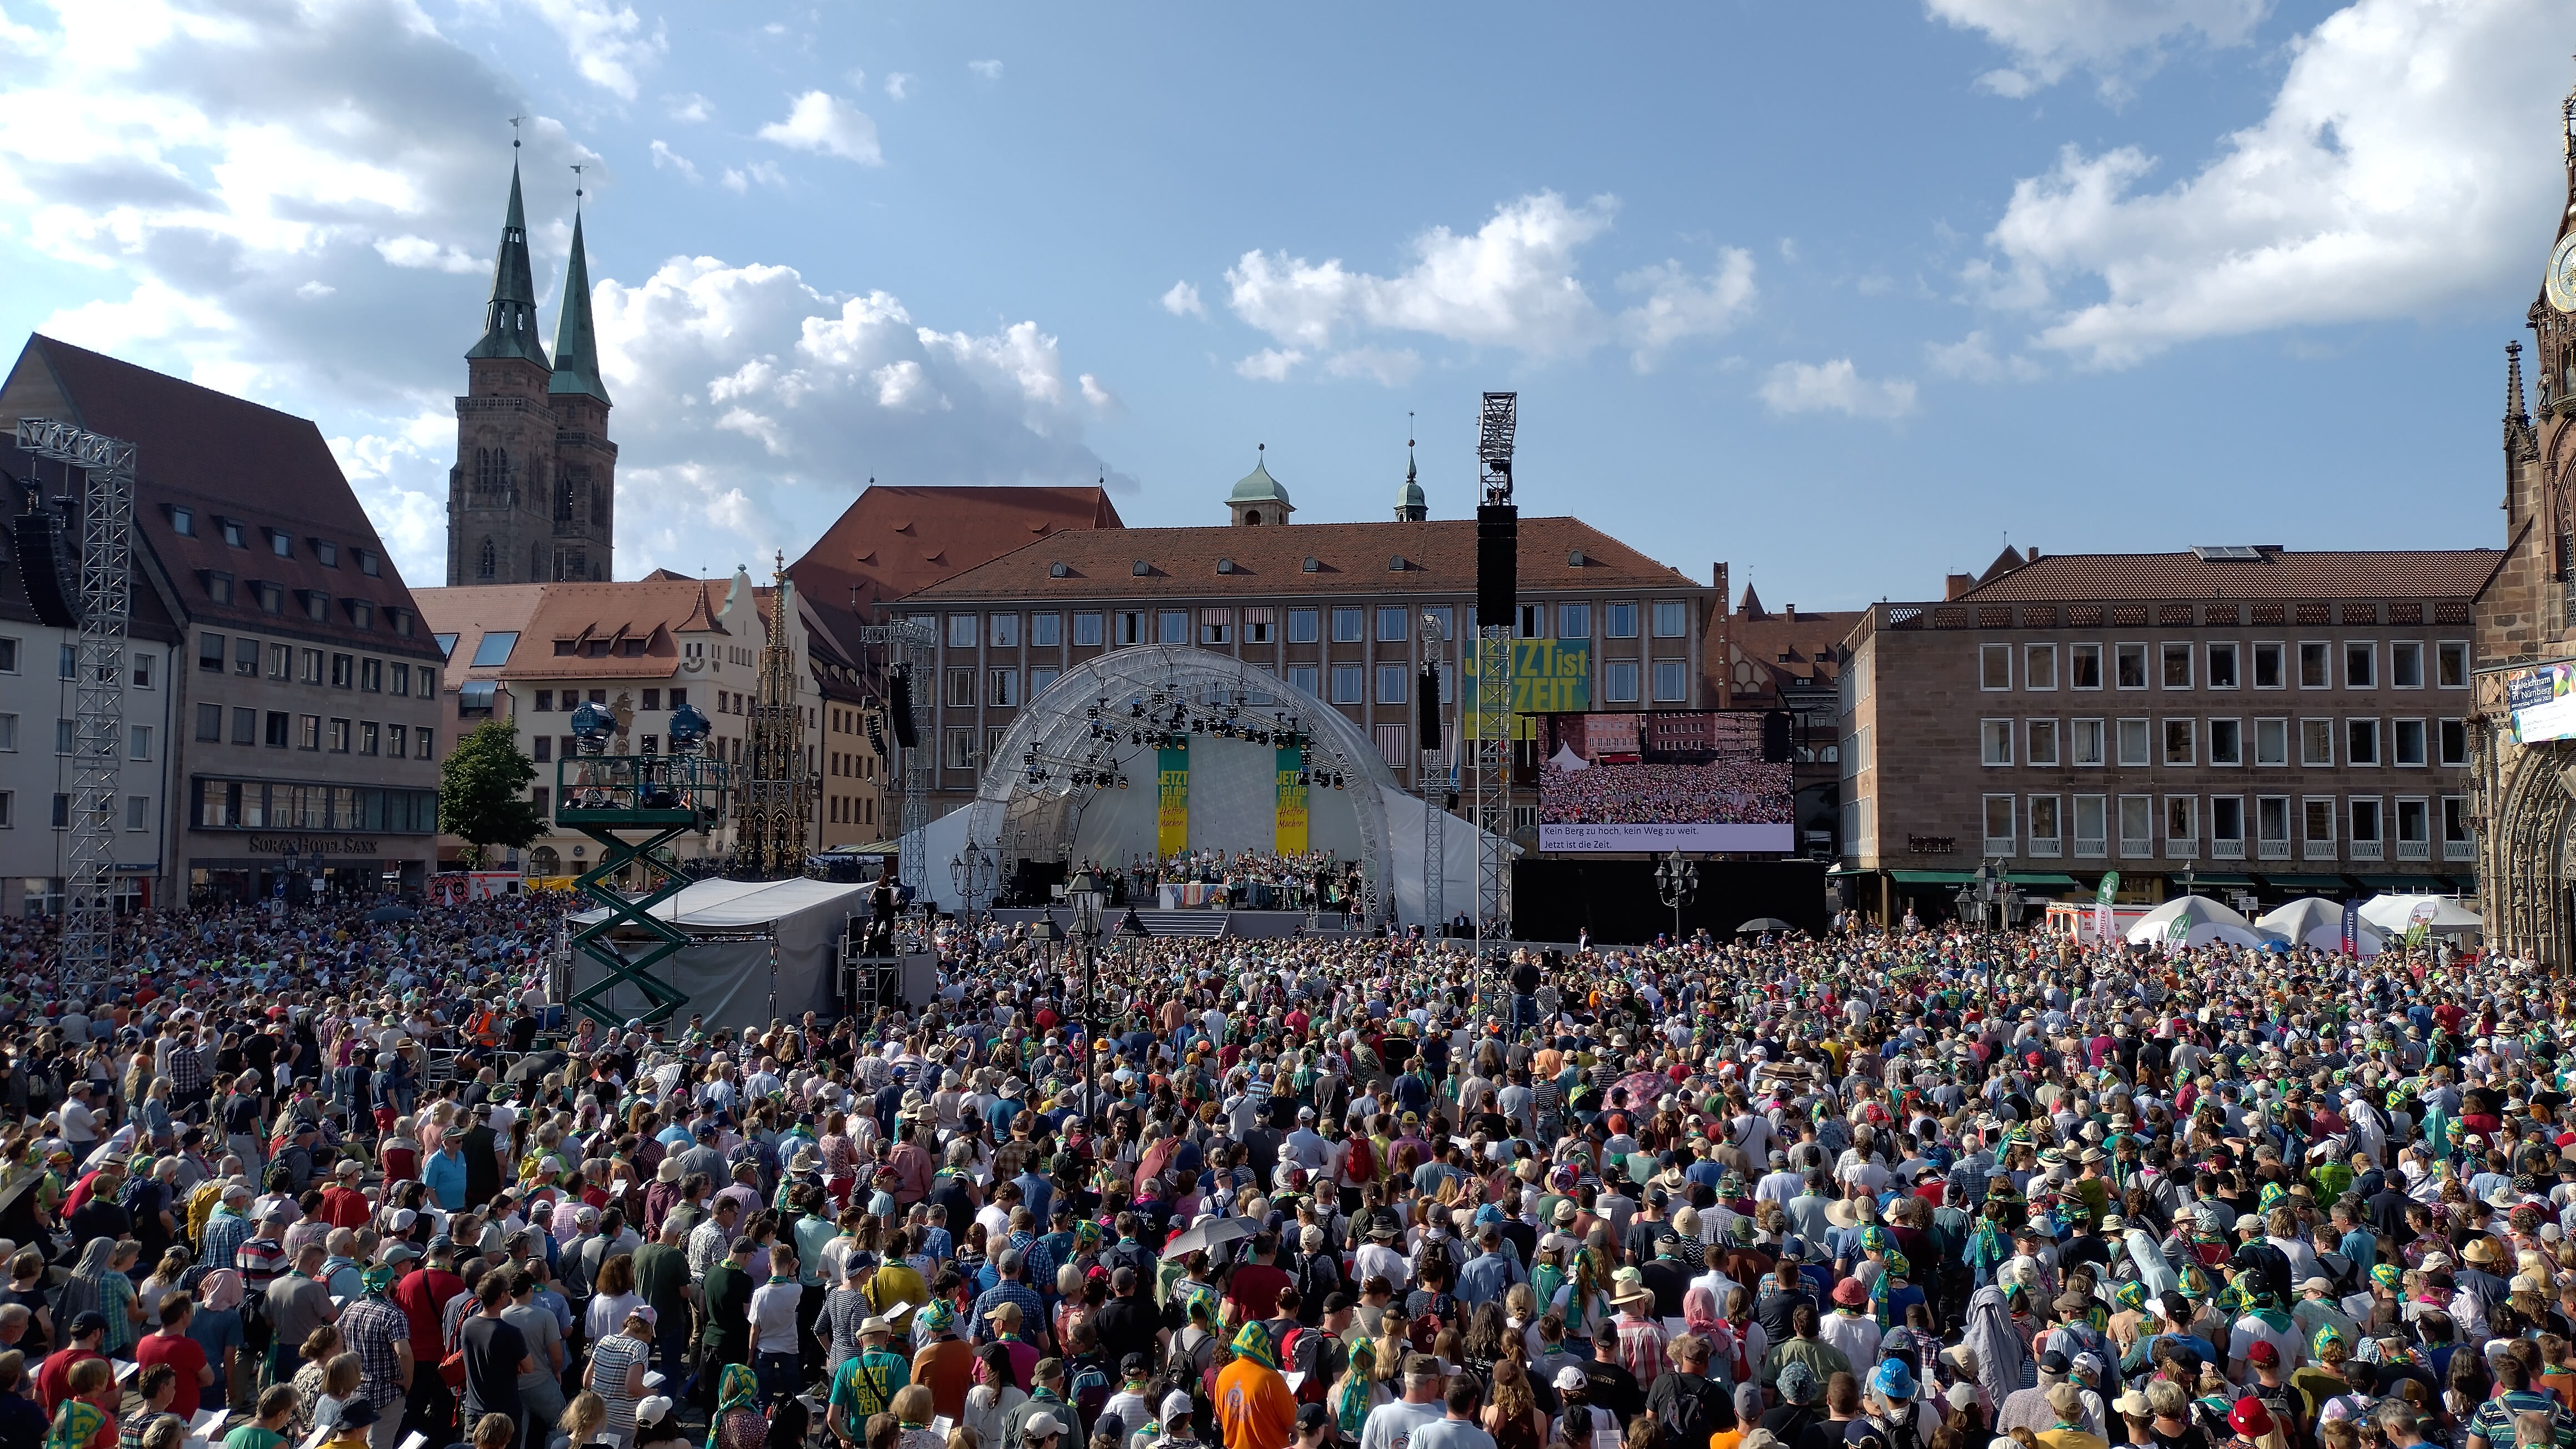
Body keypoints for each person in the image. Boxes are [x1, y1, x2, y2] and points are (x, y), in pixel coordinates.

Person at [1215, 1322, 1298, 1449]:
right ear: (1263, 1345)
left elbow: (1221, 1418)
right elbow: (1295, 1426)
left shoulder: (1223, 1375)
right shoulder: (1272, 1379)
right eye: (1269, 1342)